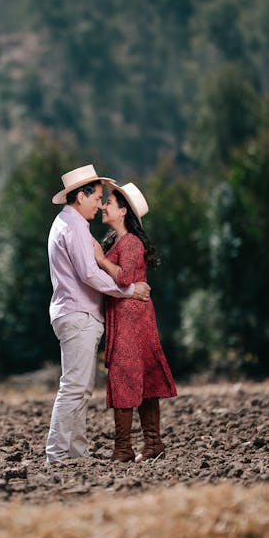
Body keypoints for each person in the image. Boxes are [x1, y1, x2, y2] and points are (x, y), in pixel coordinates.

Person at [46, 165, 151, 465]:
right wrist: (130, 291)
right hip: (79, 314)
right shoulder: (76, 226)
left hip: (71, 313)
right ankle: (56, 453)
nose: (98, 204)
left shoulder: (64, 223)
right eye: (96, 198)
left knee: (79, 388)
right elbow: (89, 273)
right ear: (80, 196)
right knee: (75, 388)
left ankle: (77, 452)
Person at [93, 182, 177, 462]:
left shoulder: (131, 243)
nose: (104, 205)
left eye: (109, 203)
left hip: (132, 317)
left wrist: (101, 261)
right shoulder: (121, 242)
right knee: (138, 374)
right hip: (130, 315)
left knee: (126, 374)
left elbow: (125, 277)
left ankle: (126, 448)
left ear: (123, 211)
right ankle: (151, 444)